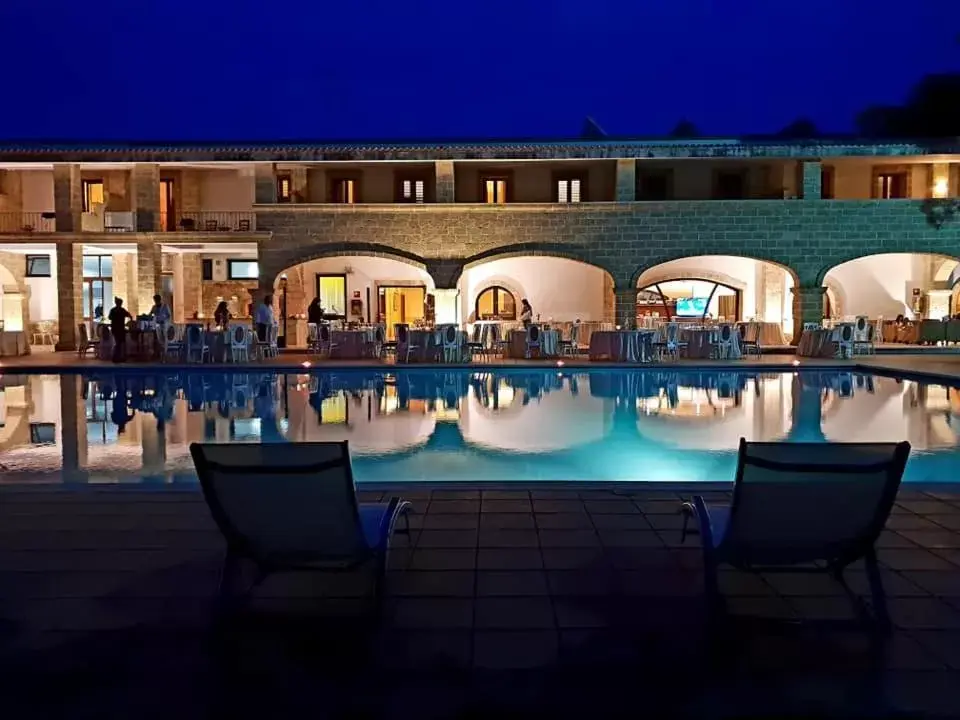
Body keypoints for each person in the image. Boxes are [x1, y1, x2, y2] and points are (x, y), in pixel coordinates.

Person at [108, 297, 131, 363]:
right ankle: (117, 358)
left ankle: (117, 357)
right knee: (120, 343)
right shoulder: (122, 310)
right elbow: (129, 315)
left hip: (115, 329)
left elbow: (110, 317)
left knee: (118, 343)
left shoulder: (113, 310)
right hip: (120, 329)